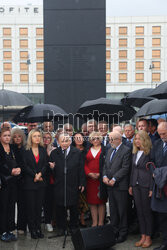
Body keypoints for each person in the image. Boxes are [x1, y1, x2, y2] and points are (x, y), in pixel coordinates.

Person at [49, 133, 85, 236]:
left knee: (73, 206)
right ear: (59, 142)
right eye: (62, 141)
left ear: (70, 141)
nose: (65, 143)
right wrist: (52, 168)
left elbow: (81, 169)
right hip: (59, 183)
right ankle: (62, 227)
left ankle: (73, 226)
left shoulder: (77, 152)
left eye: (67, 140)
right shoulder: (54, 153)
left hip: (73, 183)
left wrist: (82, 182)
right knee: (60, 206)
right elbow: (51, 172)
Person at [103, 131, 131, 243]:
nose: (110, 142)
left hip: (120, 186)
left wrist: (114, 179)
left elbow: (125, 168)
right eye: (109, 139)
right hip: (110, 185)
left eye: (112, 139)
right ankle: (114, 231)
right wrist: (104, 176)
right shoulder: (110, 150)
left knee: (122, 210)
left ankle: (123, 232)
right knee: (113, 210)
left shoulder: (126, 150)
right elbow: (105, 165)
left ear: (119, 139)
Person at [129, 131, 153, 248]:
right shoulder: (135, 153)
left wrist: (151, 188)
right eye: (135, 139)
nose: (136, 141)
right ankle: (142, 235)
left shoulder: (149, 154)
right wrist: (130, 185)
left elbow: (153, 172)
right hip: (136, 185)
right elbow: (133, 170)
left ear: (145, 140)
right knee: (139, 211)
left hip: (146, 185)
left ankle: (148, 237)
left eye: (139, 139)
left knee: (146, 212)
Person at [23, 129, 47, 239]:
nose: (37, 138)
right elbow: (25, 166)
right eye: (34, 136)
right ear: (30, 138)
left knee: (38, 207)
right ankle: (32, 229)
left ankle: (38, 228)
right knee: (31, 208)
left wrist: (40, 174)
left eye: (39, 136)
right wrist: (35, 175)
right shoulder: (26, 150)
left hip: (41, 183)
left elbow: (45, 164)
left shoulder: (42, 149)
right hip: (30, 183)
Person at [0, 127, 21, 242]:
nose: (7, 137)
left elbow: (19, 161)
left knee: (12, 206)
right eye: (5, 135)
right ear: (0, 137)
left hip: (14, 182)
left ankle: (10, 230)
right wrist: (10, 171)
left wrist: (19, 169)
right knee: (3, 207)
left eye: (9, 135)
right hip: (3, 182)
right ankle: (2, 231)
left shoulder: (13, 147)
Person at [84, 132, 107, 227]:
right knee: (92, 202)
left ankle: (101, 222)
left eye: (97, 138)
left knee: (101, 201)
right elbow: (83, 163)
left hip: (101, 179)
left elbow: (107, 164)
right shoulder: (87, 150)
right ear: (90, 140)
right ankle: (94, 222)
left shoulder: (105, 150)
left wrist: (101, 174)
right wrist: (89, 173)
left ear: (101, 139)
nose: (95, 140)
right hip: (90, 179)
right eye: (93, 139)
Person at [151, 122, 167, 250]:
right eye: (160, 134)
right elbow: (151, 162)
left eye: (164, 134)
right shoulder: (156, 144)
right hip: (159, 186)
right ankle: (165, 242)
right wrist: (155, 173)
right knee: (162, 214)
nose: (162, 136)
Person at [11, 128, 27, 234]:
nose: (17, 138)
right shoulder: (10, 148)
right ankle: (11, 226)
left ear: (22, 137)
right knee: (11, 205)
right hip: (12, 180)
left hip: (24, 180)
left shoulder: (26, 149)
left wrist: (21, 169)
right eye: (15, 136)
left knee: (22, 205)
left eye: (19, 136)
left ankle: (22, 227)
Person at [73, 132, 89, 227]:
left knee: (83, 200)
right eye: (76, 138)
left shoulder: (87, 150)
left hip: (85, 177)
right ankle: (74, 219)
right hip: (74, 178)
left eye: (80, 138)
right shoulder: (71, 150)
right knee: (75, 200)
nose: (79, 139)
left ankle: (82, 219)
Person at [43, 132, 56, 232]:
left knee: (51, 203)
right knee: (44, 203)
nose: (46, 139)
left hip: (53, 180)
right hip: (42, 180)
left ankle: (51, 221)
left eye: (48, 137)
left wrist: (54, 167)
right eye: (44, 137)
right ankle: (45, 221)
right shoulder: (40, 149)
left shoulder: (55, 150)